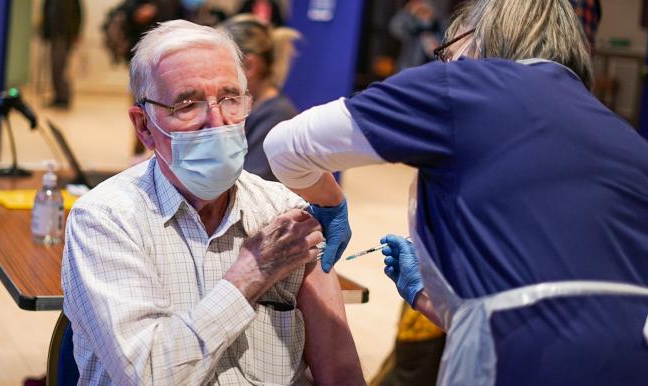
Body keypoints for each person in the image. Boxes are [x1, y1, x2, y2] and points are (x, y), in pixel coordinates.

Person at [263, 1, 648, 385]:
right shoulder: (624, 137)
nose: (446, 61)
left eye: (448, 51)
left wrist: (330, 203)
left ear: (478, 38)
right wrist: (427, 298)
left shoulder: (464, 88)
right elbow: (551, 295)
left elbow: (285, 146)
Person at [62, 20, 364, 385]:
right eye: (187, 104)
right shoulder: (106, 219)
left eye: (230, 99)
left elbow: (341, 372)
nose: (217, 122)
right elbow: (148, 376)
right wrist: (252, 273)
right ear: (143, 126)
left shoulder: (285, 213)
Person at [221, 14, 299, 182]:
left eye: (220, 64)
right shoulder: (251, 109)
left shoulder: (276, 117)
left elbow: (249, 191)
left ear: (249, 66)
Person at [40, 0, 82, 109]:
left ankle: (63, 97)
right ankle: (59, 96)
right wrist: (45, 32)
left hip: (64, 35)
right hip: (54, 35)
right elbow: (46, 13)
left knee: (59, 67)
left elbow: (78, 15)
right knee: (55, 67)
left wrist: (75, 34)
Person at [389, 0, 444, 72]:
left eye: (425, 12)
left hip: (430, 70)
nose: (424, 16)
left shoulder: (437, 26)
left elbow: (444, 39)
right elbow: (395, 28)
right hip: (408, 68)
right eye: (420, 13)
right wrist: (408, 12)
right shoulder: (412, 29)